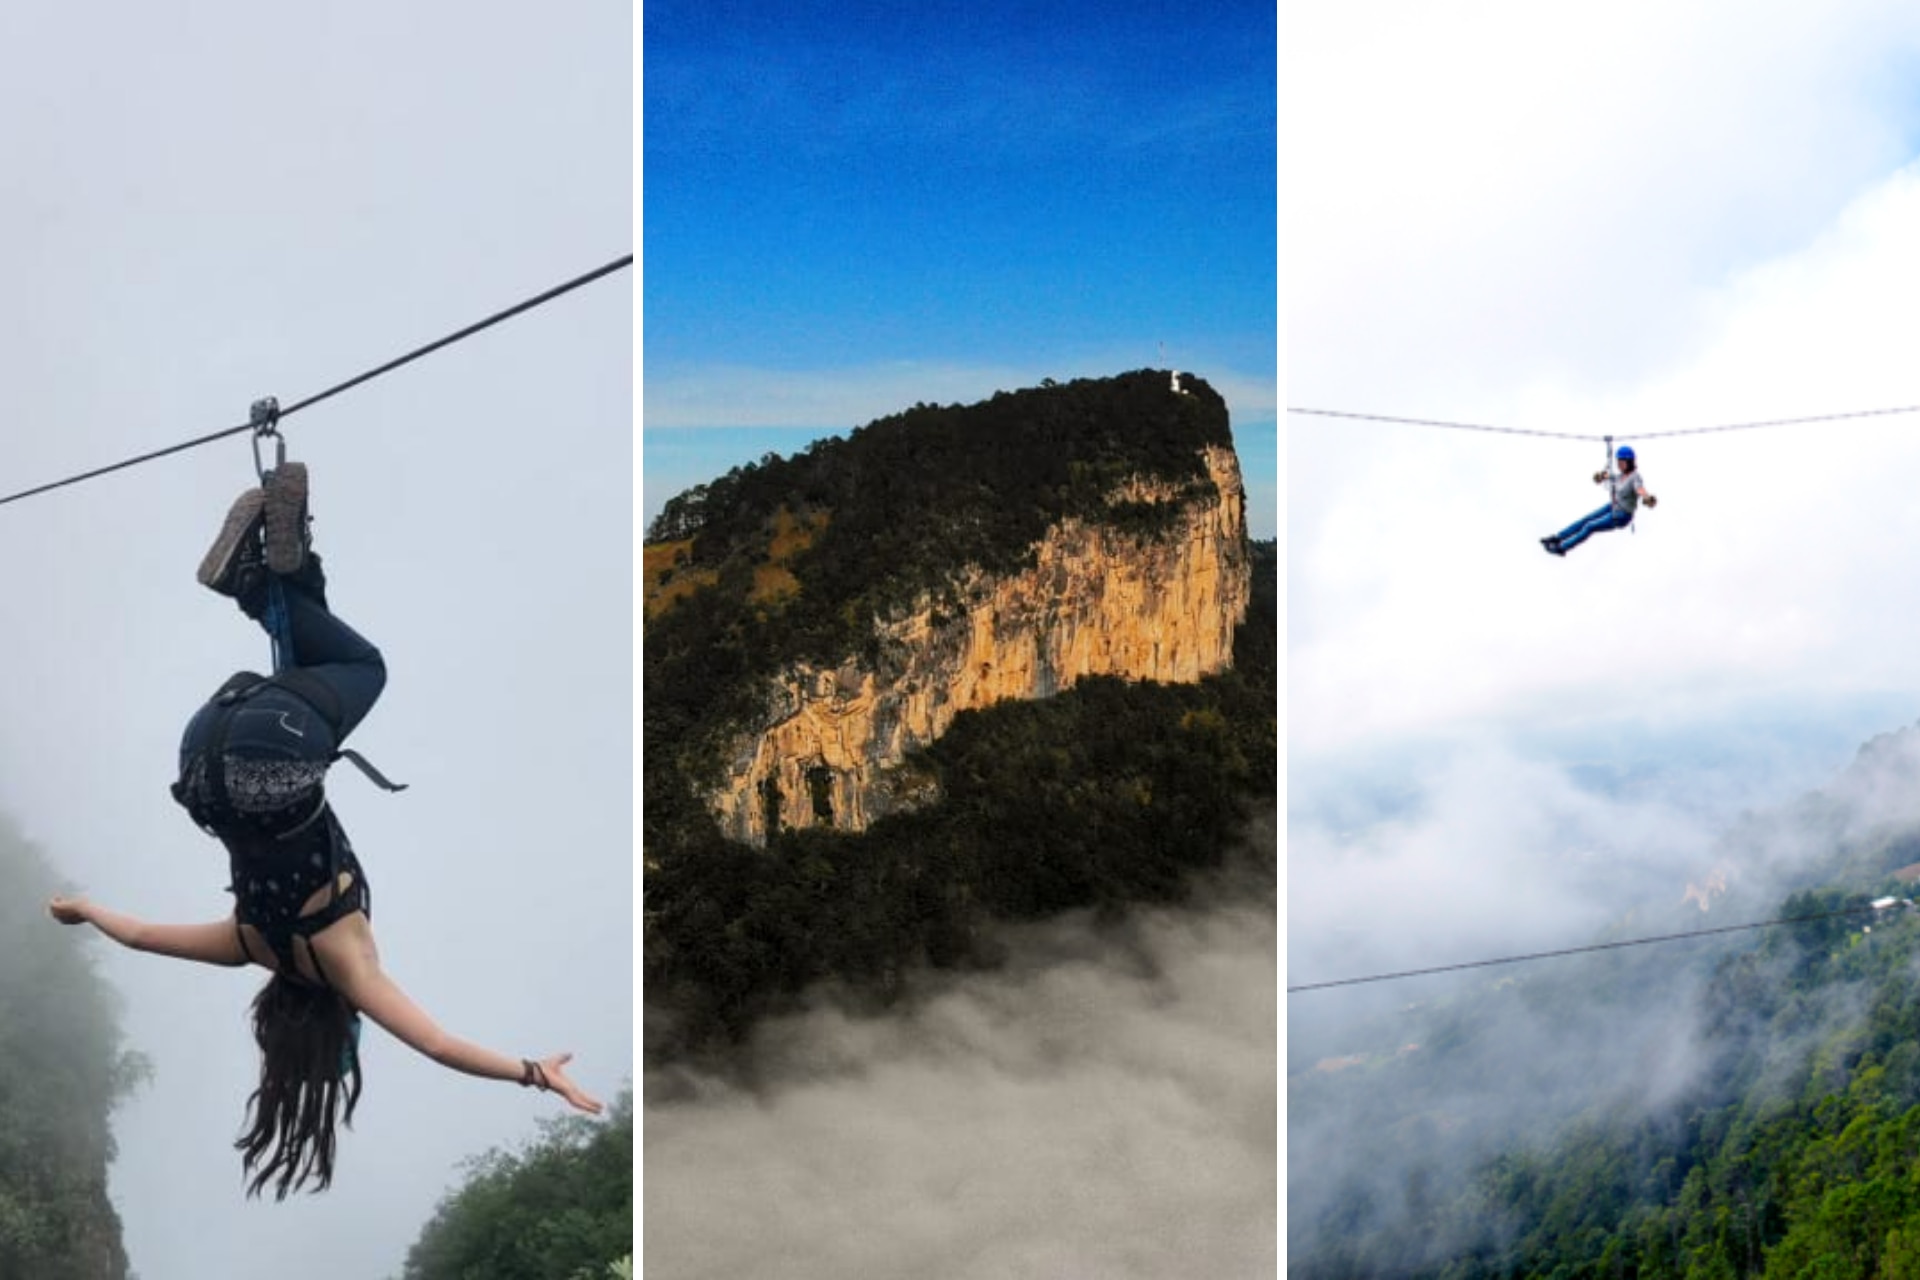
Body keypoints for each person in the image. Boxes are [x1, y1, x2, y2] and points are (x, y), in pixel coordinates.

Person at [47, 460, 601, 1200]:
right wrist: (81, 908)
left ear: (340, 1019)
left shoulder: (349, 966)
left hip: (271, 761)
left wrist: (537, 1074)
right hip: (205, 758)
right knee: (321, 662)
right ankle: (278, 567)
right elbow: (143, 935)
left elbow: (438, 1044)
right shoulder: (245, 943)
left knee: (360, 665)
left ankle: (255, 580)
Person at [1542, 444, 1658, 556]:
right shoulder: (1621, 476)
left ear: (1629, 462)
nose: (1619, 465)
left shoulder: (1635, 477)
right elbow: (1610, 476)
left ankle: (1563, 548)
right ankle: (1558, 538)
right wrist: (1601, 476)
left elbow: (1640, 489)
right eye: (1618, 462)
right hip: (1613, 506)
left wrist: (1647, 498)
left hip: (1622, 516)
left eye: (1622, 462)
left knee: (1590, 526)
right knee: (1586, 519)